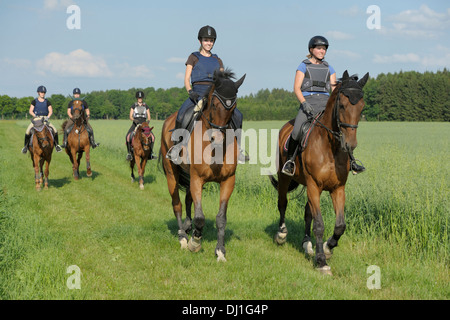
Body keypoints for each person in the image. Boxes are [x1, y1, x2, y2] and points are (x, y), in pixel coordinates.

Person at [281, 36, 365, 176]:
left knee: (342, 129)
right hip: (308, 102)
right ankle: (290, 162)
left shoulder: (329, 68)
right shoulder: (303, 66)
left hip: (325, 104)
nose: (322, 51)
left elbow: (334, 91)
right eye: (319, 48)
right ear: (311, 49)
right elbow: (296, 88)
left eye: (324, 49)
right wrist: (304, 103)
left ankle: (352, 161)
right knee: (296, 131)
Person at [166, 25, 246, 163]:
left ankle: (238, 149)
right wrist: (190, 91)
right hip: (197, 93)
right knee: (181, 115)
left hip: (214, 94)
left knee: (238, 115)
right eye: (206, 40)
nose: (209, 43)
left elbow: (222, 80)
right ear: (200, 41)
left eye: (211, 40)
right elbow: (186, 78)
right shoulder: (193, 57)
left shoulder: (217, 59)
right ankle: (177, 147)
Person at [21, 85, 62, 153]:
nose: (43, 93)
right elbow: (30, 111)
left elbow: (50, 111)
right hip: (36, 119)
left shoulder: (47, 101)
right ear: (38, 93)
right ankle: (25, 147)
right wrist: (35, 115)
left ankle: (57, 146)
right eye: (41, 92)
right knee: (27, 131)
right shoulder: (34, 101)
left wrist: (47, 117)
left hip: (45, 119)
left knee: (55, 130)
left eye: (44, 92)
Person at [125, 90, 153, 161]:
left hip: (144, 124)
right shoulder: (133, 106)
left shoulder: (146, 106)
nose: (140, 99)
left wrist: (148, 122)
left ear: (142, 98)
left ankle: (151, 153)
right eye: (139, 98)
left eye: (141, 98)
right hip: (136, 123)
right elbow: (130, 116)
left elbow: (149, 116)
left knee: (152, 137)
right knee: (128, 136)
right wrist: (134, 120)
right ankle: (129, 153)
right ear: (137, 98)